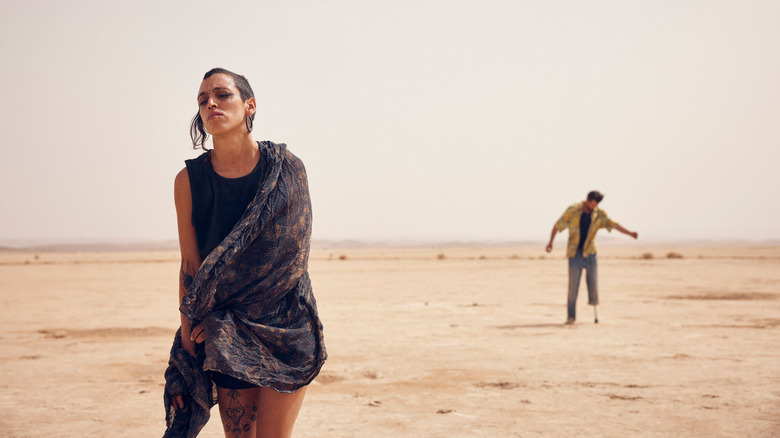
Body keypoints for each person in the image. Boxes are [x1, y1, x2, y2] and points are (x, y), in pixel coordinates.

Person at [163, 68, 327, 438]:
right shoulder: (188, 181)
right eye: (203, 100)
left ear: (249, 104)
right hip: (223, 333)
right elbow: (191, 265)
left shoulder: (286, 170)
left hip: (285, 327)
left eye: (222, 95)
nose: (211, 104)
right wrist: (189, 332)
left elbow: (293, 258)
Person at [545, 191, 638, 324]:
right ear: (587, 200)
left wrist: (629, 233)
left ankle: (593, 302)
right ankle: (571, 317)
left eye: (596, 205)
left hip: (590, 253)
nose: (593, 208)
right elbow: (557, 225)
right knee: (573, 287)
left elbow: (613, 225)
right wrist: (550, 242)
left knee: (593, 282)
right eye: (591, 205)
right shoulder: (573, 210)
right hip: (575, 254)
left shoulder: (599, 215)